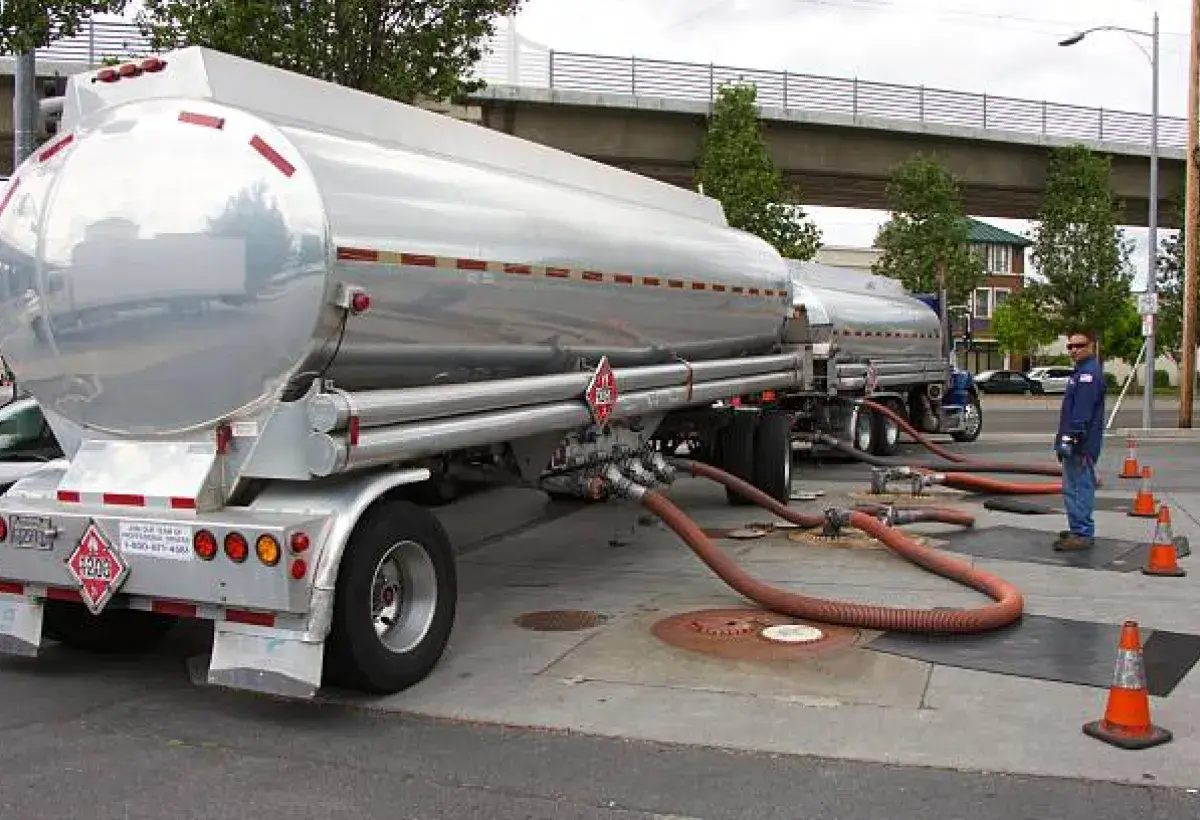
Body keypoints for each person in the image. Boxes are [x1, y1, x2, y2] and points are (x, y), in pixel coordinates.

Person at [1053, 329, 1106, 551]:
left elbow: (1081, 414)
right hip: (1079, 443)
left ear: (1091, 346)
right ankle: (1078, 528)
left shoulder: (1088, 376)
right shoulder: (1081, 372)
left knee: (1077, 488)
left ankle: (1082, 533)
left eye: (1079, 345)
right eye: (1070, 346)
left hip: (1080, 445)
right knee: (1074, 486)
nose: (1074, 350)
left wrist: (1069, 439)